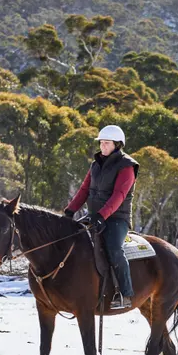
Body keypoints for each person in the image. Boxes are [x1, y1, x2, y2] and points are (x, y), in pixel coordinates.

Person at [64, 125, 140, 310]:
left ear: (117, 144)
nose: (103, 146)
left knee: (114, 249)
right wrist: (70, 210)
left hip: (117, 219)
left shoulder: (127, 166)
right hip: (95, 216)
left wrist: (101, 216)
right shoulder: (95, 164)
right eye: (101, 143)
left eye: (107, 143)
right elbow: (84, 190)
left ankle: (125, 293)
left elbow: (119, 196)